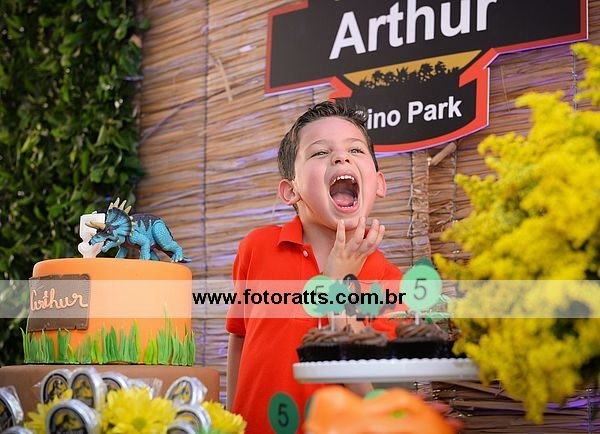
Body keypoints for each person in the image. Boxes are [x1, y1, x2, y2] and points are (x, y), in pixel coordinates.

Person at [226, 101, 404, 433]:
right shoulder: (257, 248)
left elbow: (368, 393)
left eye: (355, 150)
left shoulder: (390, 282)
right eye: (320, 152)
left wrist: (337, 283)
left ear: (379, 184)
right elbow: (240, 338)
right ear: (290, 190)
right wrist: (229, 422)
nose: (341, 157)